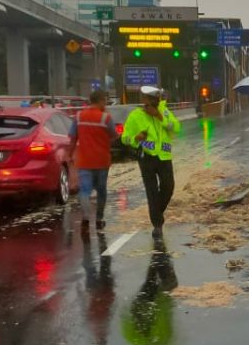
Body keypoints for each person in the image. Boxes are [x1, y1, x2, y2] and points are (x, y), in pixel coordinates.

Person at [121, 85, 182, 237]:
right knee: (152, 191)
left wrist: (159, 116)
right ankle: (157, 224)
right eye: (147, 102)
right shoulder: (135, 116)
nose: (150, 105)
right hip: (146, 157)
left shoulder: (164, 111)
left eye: (153, 101)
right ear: (143, 101)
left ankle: (156, 213)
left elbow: (176, 128)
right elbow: (125, 138)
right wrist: (136, 138)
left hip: (164, 157)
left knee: (169, 187)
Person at [68, 88, 117, 229]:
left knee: (84, 191)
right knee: (101, 191)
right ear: (101, 100)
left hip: (84, 161)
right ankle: (99, 219)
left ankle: (86, 217)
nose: (106, 103)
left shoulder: (78, 117)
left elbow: (72, 138)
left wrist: (69, 154)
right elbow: (114, 136)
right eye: (105, 101)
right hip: (102, 161)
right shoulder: (105, 118)